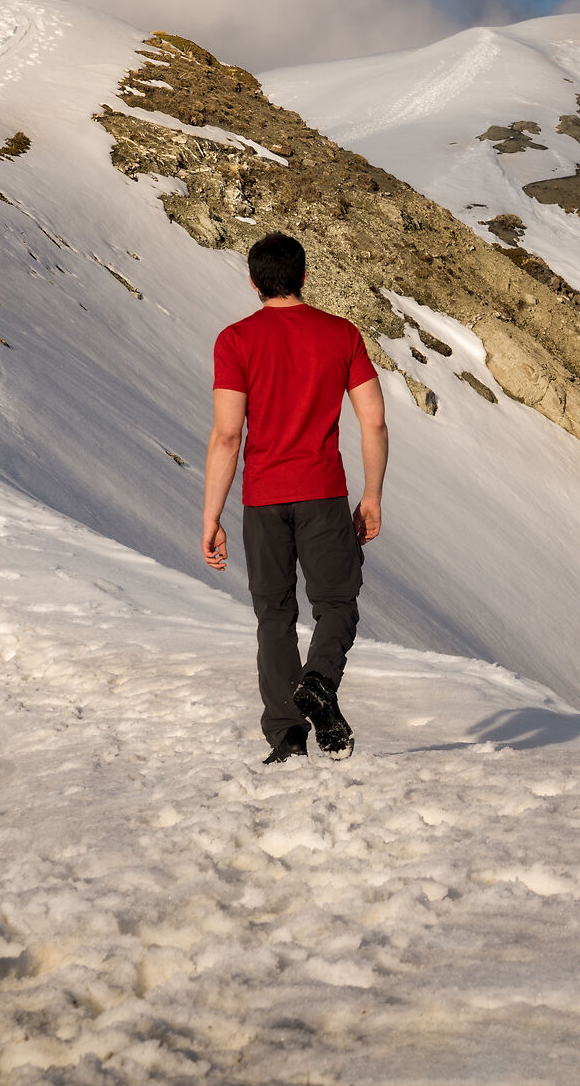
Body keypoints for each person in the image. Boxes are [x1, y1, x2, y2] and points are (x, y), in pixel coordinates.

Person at [202, 232, 388, 763]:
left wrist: (212, 516)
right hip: (323, 493)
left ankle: (286, 739)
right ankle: (320, 681)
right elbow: (372, 420)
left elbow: (227, 435)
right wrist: (372, 494)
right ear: (304, 276)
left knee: (274, 615)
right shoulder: (341, 335)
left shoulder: (234, 340)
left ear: (256, 282)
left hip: (263, 499)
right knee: (337, 604)